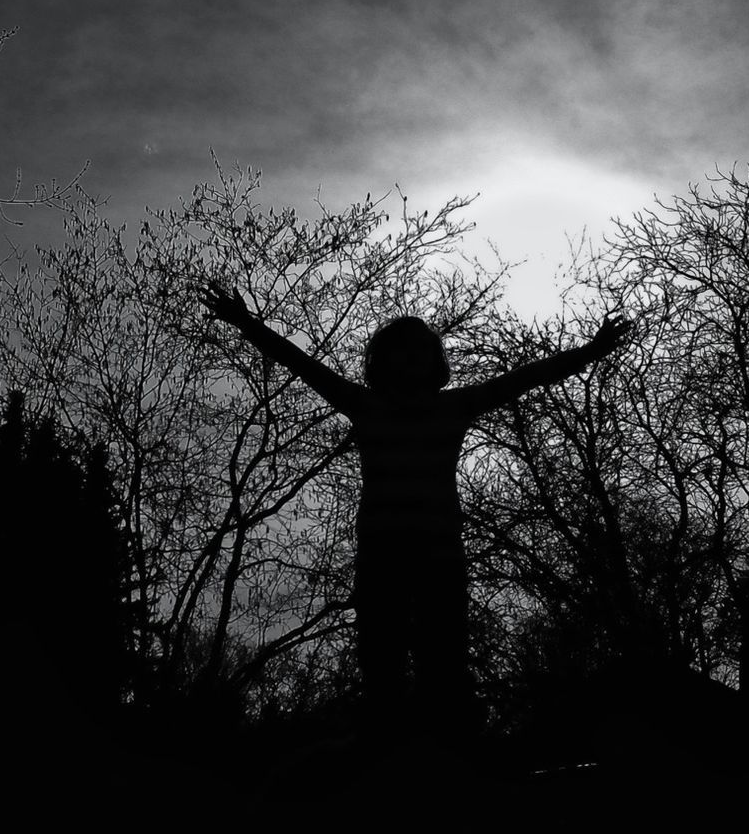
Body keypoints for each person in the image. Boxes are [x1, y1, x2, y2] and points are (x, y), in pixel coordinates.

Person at [202, 283, 631, 740]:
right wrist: (245, 323)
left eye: (419, 353)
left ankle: (451, 757)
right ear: (383, 362)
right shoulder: (366, 405)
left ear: (433, 361)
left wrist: (591, 349)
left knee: (444, 670)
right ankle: (389, 758)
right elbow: (301, 364)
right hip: (382, 559)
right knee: (381, 669)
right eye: (401, 353)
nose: (410, 361)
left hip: (439, 559)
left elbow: (527, 377)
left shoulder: (455, 406)